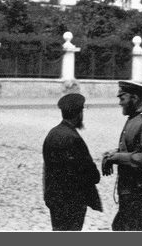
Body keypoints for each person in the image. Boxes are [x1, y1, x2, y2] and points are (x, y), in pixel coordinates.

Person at [102, 80, 142, 231]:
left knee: (130, 228)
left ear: (134, 98)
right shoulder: (133, 119)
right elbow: (133, 147)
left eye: (122, 98)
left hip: (139, 187)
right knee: (126, 227)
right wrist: (113, 154)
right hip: (130, 186)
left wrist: (118, 158)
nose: (120, 103)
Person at [42, 93, 102, 231]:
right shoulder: (74, 139)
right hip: (73, 202)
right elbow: (91, 174)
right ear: (79, 114)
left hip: (55, 200)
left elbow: (47, 169)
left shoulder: (52, 134)